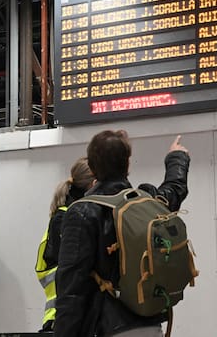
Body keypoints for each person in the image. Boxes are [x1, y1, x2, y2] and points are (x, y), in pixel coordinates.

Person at [54, 130, 191, 337]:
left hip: (108, 328)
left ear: (92, 167)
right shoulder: (147, 202)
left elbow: (71, 289)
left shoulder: (83, 212)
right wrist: (177, 158)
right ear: (128, 164)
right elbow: (174, 190)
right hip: (151, 325)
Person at [35, 157, 95, 332]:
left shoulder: (68, 215)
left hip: (67, 317)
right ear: (93, 184)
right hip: (63, 318)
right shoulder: (66, 219)